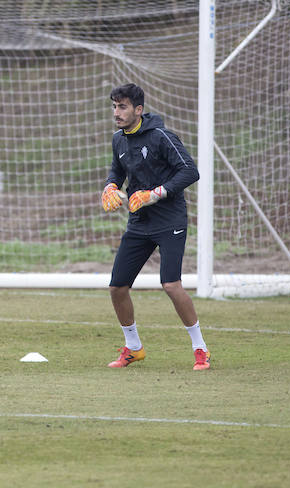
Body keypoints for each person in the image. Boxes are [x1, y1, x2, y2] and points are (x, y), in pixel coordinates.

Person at [100, 82, 210, 370]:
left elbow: (190, 171)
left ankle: (201, 349)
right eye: (114, 106)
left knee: (171, 285)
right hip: (139, 222)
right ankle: (133, 347)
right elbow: (117, 170)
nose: (117, 112)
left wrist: (156, 193)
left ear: (138, 109)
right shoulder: (118, 140)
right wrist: (110, 186)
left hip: (170, 220)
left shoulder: (162, 136)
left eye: (122, 106)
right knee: (117, 287)